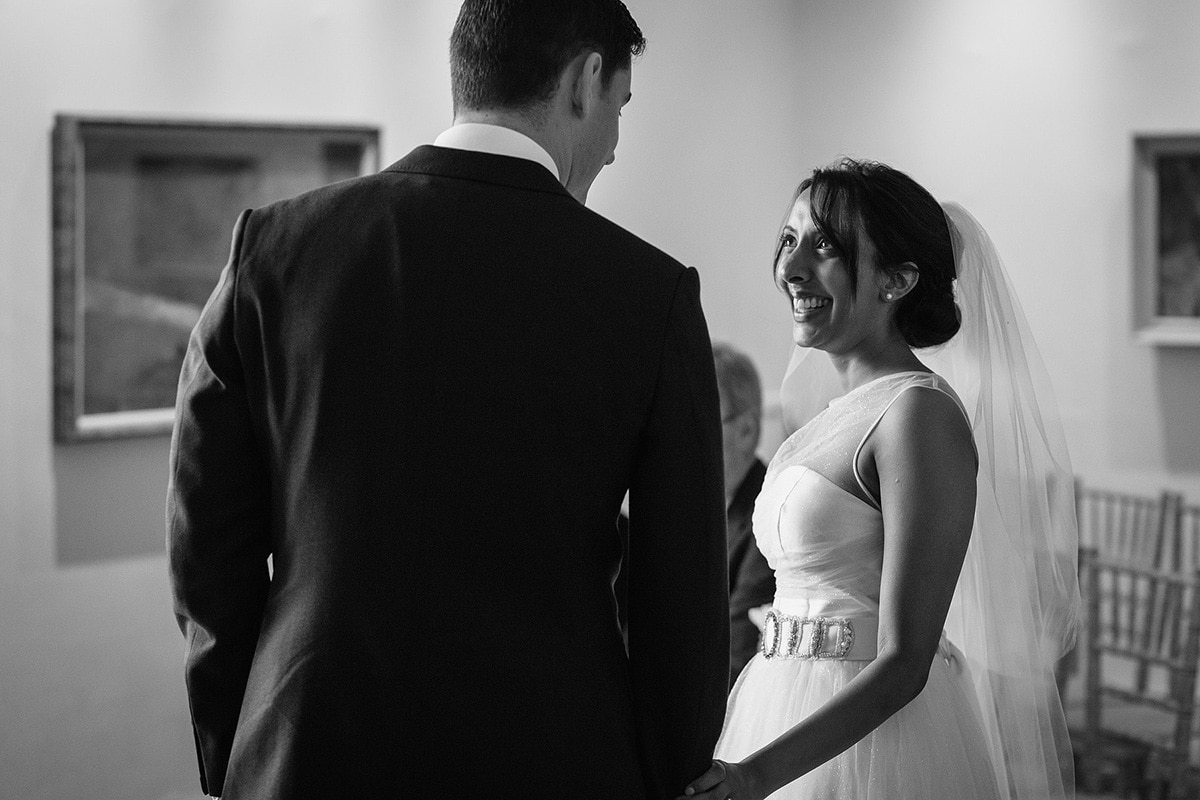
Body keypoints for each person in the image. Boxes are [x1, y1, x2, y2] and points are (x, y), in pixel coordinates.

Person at [166, 2, 730, 798]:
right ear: (586, 77)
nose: (613, 146)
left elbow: (208, 547)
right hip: (555, 761)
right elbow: (682, 606)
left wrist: (239, 753)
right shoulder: (651, 295)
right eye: (619, 110)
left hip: (306, 754)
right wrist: (671, 773)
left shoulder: (274, 250)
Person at [681, 158, 1081, 800]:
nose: (791, 268)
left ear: (898, 280)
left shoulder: (918, 415)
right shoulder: (829, 414)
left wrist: (758, 775)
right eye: (788, 240)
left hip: (877, 745)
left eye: (826, 247)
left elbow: (905, 661)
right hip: (779, 701)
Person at [711, 342, 775, 686]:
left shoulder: (767, 517)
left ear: (746, 429)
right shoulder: (695, 511)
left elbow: (736, 654)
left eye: (703, 423)